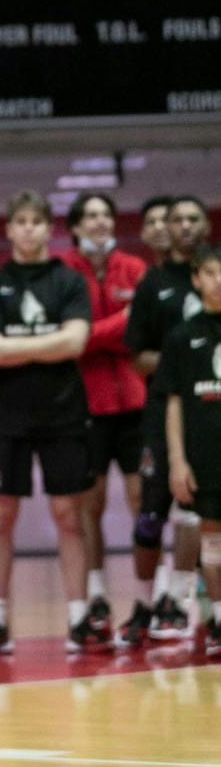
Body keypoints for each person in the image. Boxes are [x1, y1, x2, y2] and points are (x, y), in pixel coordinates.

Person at [0, 188, 104, 657]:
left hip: (63, 413)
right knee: (1, 516)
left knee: (69, 515)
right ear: (9, 230)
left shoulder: (68, 281)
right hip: (8, 418)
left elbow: (77, 343)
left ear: (49, 229)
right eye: (20, 221)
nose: (28, 229)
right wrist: (49, 343)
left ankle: (79, 618)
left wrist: (14, 349)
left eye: (36, 222)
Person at [120, 193, 211, 647]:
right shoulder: (153, 283)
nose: (186, 226)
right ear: (165, 228)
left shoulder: (215, 278)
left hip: (211, 415)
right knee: (151, 514)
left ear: (206, 225)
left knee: (200, 514)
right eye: (178, 220)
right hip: (162, 412)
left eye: (195, 218)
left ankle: (181, 601)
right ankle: (141, 604)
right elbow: (137, 358)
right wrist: (183, 364)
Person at [62, 191, 147, 635]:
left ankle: (149, 595)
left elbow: (143, 331)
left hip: (133, 403)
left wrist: (95, 334)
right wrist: (117, 325)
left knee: (141, 501)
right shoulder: (63, 274)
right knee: (89, 505)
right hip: (86, 404)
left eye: (105, 215)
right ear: (75, 226)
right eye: (90, 216)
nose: (99, 222)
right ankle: (96, 595)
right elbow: (71, 340)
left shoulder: (134, 269)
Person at [162, 243, 221, 660]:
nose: (220, 281)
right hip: (206, 459)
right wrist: (178, 461)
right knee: (213, 544)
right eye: (211, 273)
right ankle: (218, 617)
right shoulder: (182, 337)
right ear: (197, 279)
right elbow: (174, 403)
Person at [138, 194, 175, 268]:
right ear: (143, 234)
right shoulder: (144, 275)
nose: (158, 227)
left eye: (165, 220)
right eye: (151, 222)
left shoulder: (200, 272)